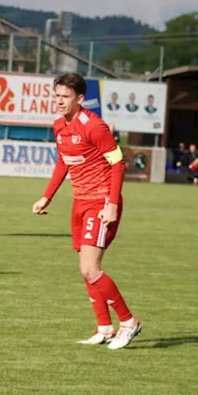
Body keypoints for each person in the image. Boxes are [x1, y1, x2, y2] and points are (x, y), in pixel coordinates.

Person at [32, 73, 142, 350]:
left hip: (101, 202)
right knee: (86, 271)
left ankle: (128, 323)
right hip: (79, 202)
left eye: (65, 96)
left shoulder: (94, 126)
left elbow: (118, 164)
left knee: (90, 268)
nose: (59, 101)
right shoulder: (59, 126)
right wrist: (47, 197)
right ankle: (104, 327)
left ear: (80, 99)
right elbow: (63, 162)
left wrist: (112, 205)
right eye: (56, 95)